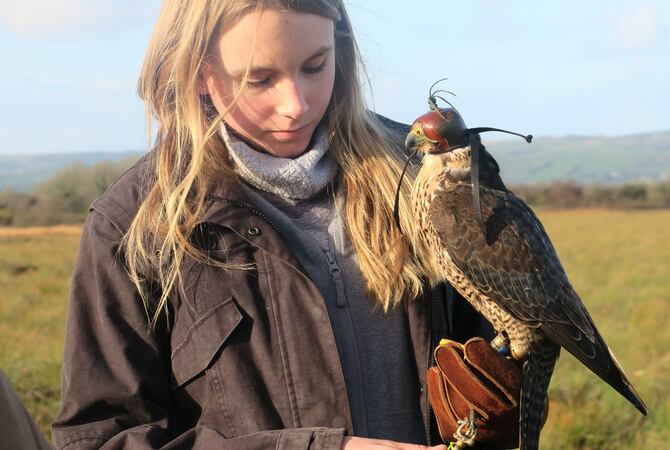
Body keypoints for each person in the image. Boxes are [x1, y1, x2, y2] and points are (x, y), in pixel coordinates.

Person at [52, 1, 523, 449]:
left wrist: (500, 404)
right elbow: (101, 438)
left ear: (340, 47)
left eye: (315, 66)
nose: (295, 104)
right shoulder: (135, 224)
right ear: (197, 72)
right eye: (258, 79)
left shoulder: (434, 173)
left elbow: (509, 347)